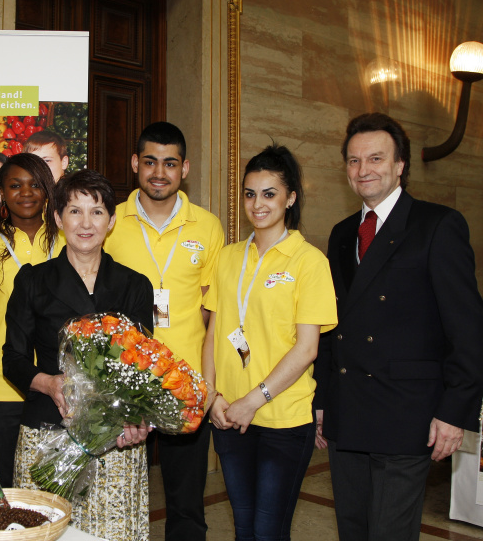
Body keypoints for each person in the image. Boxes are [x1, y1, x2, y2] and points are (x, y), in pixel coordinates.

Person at [313, 112, 483, 541]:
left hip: (408, 414)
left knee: (389, 532)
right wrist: (322, 399)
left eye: (375, 159)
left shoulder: (437, 225)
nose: (363, 170)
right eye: (353, 161)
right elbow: (333, 324)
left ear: (400, 164)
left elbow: (468, 329)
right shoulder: (341, 233)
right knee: (353, 529)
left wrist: (453, 412)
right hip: (348, 411)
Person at [3, 169, 154, 541]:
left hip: (115, 437)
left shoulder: (134, 284)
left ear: (112, 221)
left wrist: (138, 418)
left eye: (97, 212)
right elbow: (14, 359)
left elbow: (141, 366)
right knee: (45, 533)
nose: (86, 223)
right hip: (47, 430)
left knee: (111, 534)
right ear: (57, 217)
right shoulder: (33, 280)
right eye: (74, 211)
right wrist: (49, 383)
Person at [202, 144, 337, 540]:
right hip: (228, 415)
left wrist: (253, 401)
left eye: (269, 193)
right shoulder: (227, 257)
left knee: (268, 531)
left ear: (290, 197)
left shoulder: (309, 261)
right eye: (249, 193)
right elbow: (213, 333)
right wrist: (211, 395)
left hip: (282, 417)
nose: (257, 204)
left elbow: (307, 348)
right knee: (245, 529)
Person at [103, 121, 224, 540]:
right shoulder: (109, 222)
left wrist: (205, 378)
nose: (159, 172)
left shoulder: (207, 227)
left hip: (184, 383)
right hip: (123, 385)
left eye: (170, 163)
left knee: (187, 504)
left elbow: (213, 312)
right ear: (135, 163)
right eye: (150, 161)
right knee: (115, 497)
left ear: (184, 168)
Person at [0, 153, 64, 488]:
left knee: (52, 491)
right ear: (0, 194)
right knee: (6, 491)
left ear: (48, 190)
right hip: (1, 391)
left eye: (35, 184)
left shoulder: (67, 243)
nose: (26, 192)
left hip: (58, 388)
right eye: (15, 185)